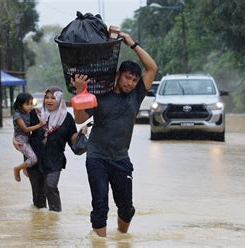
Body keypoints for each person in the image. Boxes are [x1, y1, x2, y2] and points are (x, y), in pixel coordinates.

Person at [71, 32, 157, 237]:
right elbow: (79, 119)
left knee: (126, 208)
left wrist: (132, 43)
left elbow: (152, 68)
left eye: (135, 80)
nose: (130, 83)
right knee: (100, 206)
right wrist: (81, 92)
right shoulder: (100, 94)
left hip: (120, 158)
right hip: (96, 157)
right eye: (128, 77)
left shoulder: (137, 95)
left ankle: (122, 238)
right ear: (118, 75)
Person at [13, 86, 86, 212]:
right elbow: (20, 129)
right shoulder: (34, 114)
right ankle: (42, 227)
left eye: (53, 98)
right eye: (46, 97)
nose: (49, 100)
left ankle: (55, 217)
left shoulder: (67, 118)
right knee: (38, 196)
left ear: (60, 99)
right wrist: (14, 139)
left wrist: (80, 133)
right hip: (35, 159)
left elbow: (72, 138)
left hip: (55, 159)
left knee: (51, 186)